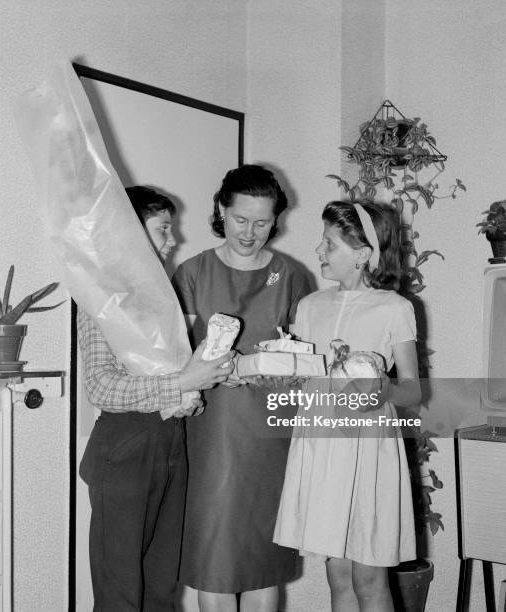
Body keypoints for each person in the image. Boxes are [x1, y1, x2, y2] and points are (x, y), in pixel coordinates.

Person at [78, 185, 235, 612]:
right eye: (163, 229)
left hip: (170, 443)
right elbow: (101, 386)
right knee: (121, 595)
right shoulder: (101, 296)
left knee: (162, 587)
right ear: (129, 231)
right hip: (124, 447)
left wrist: (195, 390)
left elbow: (177, 377)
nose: (172, 240)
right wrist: (184, 383)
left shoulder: (160, 297)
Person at [172, 165, 312, 612]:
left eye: (263, 222)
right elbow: (178, 361)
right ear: (221, 210)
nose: (251, 232)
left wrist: (271, 368)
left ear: (276, 220)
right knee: (213, 555)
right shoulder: (191, 274)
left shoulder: (292, 276)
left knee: (262, 558)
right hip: (210, 433)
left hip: (272, 435)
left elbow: (308, 361)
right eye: (240, 219)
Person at [273, 201, 421, 611]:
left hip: (367, 447)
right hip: (322, 446)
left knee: (369, 576)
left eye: (328, 243)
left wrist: (381, 392)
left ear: (362, 254)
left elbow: (412, 390)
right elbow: (301, 376)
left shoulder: (393, 308)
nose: (319, 251)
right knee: (337, 574)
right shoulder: (309, 308)